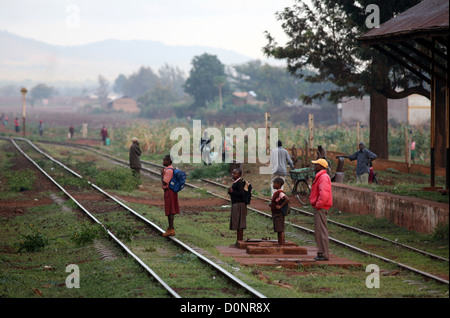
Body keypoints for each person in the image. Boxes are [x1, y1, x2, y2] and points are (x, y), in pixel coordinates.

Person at [309, 158, 333, 261]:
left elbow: (324, 193)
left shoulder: (323, 177)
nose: (315, 167)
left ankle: (324, 254)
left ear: (321, 167)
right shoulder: (321, 177)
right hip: (319, 207)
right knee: (319, 230)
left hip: (320, 207)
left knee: (321, 230)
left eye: (316, 165)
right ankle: (321, 252)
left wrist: (318, 204)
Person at [161, 155, 180, 237]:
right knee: (170, 209)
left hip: (170, 192)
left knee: (171, 209)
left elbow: (165, 182)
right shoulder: (170, 169)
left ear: (168, 161)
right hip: (171, 191)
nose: (163, 162)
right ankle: (170, 228)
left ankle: (171, 229)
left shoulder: (168, 171)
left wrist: (161, 175)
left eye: (164, 160)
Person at [228, 168, 247, 246]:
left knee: (240, 224)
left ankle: (239, 241)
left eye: (235, 173)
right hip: (236, 204)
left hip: (239, 205)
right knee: (238, 223)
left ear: (239, 175)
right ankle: (238, 241)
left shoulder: (240, 183)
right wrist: (230, 192)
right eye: (233, 173)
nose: (233, 175)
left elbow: (242, 194)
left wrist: (233, 192)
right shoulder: (236, 182)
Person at [269, 177, 289, 246]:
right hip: (276, 213)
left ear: (278, 184)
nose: (273, 185)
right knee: (278, 229)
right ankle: (280, 243)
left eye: (274, 183)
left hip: (278, 214)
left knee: (280, 229)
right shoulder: (277, 193)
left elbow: (287, 199)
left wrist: (280, 206)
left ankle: (281, 243)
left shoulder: (280, 192)